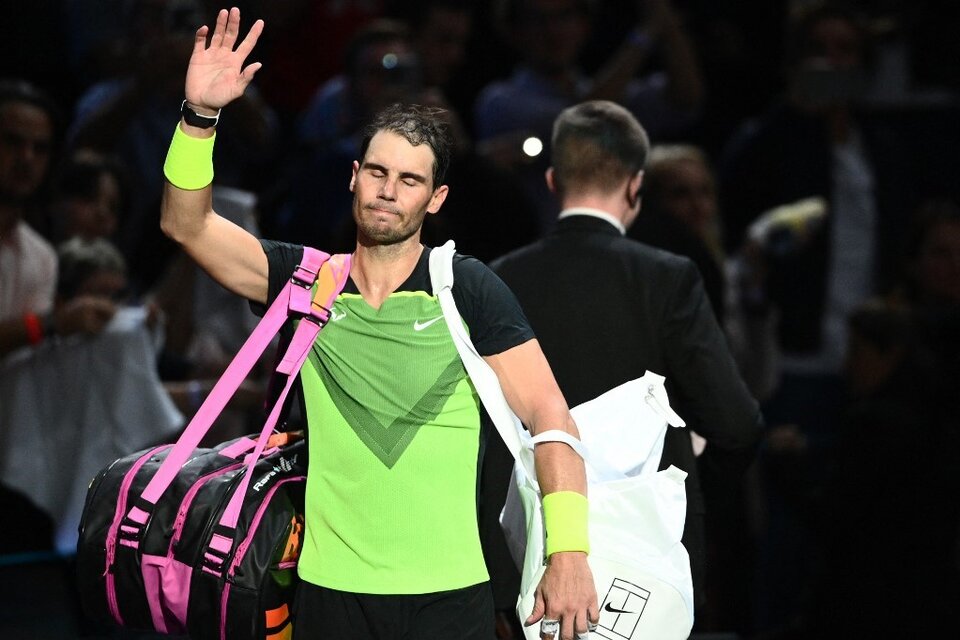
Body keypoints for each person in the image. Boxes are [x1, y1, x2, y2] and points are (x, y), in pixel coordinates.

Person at [159, 8, 596, 639]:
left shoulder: (466, 288)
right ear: (354, 177)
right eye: (379, 173)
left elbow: (551, 417)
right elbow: (186, 224)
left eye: (410, 180)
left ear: (435, 199)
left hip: (453, 597)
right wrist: (200, 118)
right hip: (328, 597)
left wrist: (570, 552)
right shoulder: (305, 283)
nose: (390, 191)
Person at [491, 100, 763, 622]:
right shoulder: (667, 278)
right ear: (636, 187)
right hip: (646, 560)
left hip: (528, 549)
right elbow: (737, 423)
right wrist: (683, 470)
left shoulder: (500, 279)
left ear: (553, 181)